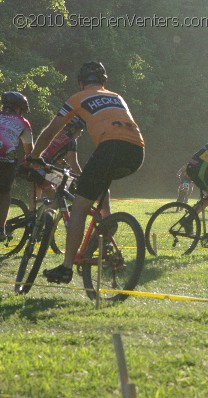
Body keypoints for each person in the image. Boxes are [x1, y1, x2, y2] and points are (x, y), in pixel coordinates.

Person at [28, 61, 145, 284]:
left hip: (111, 147)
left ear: (81, 83)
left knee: (80, 206)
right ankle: (104, 232)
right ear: (104, 82)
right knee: (100, 189)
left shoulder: (77, 98)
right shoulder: (117, 96)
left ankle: (66, 268)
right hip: (137, 151)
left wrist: (34, 156)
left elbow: (51, 132)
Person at [0, 91, 34, 240]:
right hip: (6, 160)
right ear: (19, 108)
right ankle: (0, 229)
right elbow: (29, 150)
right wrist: (29, 162)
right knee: (4, 193)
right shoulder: (23, 122)